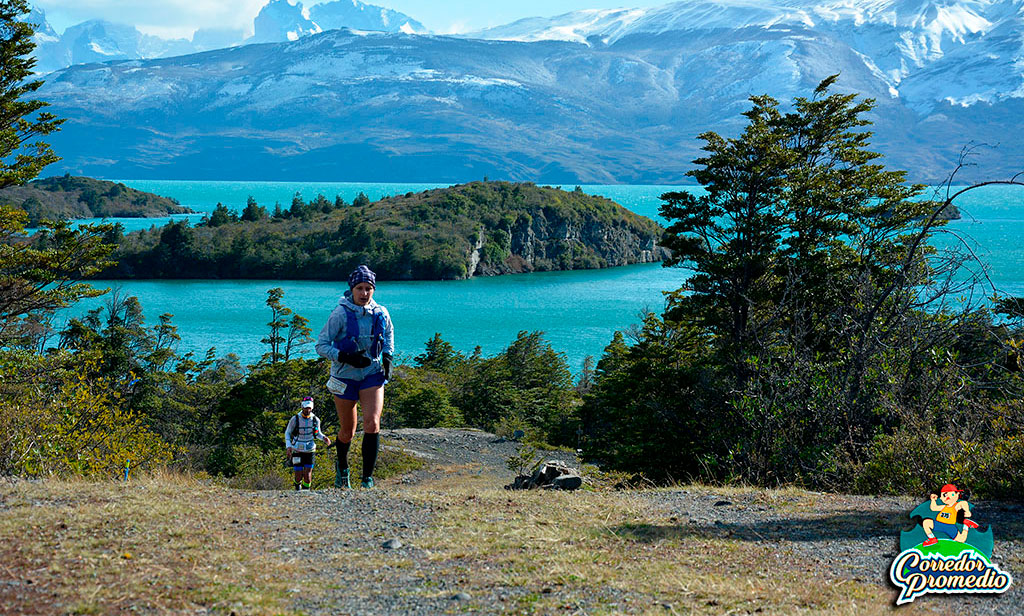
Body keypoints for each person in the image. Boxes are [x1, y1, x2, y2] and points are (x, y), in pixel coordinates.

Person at [315, 265, 394, 489]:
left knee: (372, 423)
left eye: (368, 288)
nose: (364, 293)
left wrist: (388, 357)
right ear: (352, 289)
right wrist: (344, 357)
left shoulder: (381, 313)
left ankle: (367, 479)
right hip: (344, 376)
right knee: (348, 431)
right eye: (360, 288)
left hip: (372, 373)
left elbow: (388, 334)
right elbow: (320, 345)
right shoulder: (340, 314)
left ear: (373, 290)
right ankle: (343, 468)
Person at [285, 397, 331, 490]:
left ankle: (306, 492)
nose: (307, 410)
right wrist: (288, 446)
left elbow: (317, 433)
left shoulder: (315, 420)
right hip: (297, 449)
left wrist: (324, 438)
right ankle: (297, 486)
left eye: (309, 408)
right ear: (302, 407)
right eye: (306, 408)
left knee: (308, 475)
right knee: (298, 475)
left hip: (310, 449)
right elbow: (288, 432)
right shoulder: (295, 419)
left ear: (312, 408)